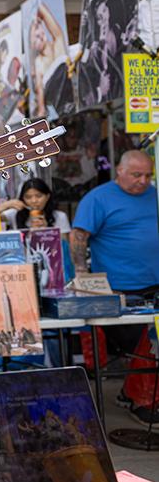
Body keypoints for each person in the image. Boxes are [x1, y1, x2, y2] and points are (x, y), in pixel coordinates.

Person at [71, 149, 159, 427]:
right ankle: (140, 397)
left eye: (148, 175)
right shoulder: (98, 198)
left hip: (154, 284)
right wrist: (84, 278)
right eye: (136, 175)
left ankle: (134, 393)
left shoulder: (155, 194)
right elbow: (78, 237)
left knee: (151, 345)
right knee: (142, 347)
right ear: (119, 171)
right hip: (119, 289)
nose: (143, 181)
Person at [0, 178, 71, 234]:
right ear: (22, 199)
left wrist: (47, 232)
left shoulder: (60, 217)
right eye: (28, 197)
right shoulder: (14, 214)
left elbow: (64, 247)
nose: (34, 201)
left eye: (39, 196)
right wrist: (7, 205)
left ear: (47, 197)